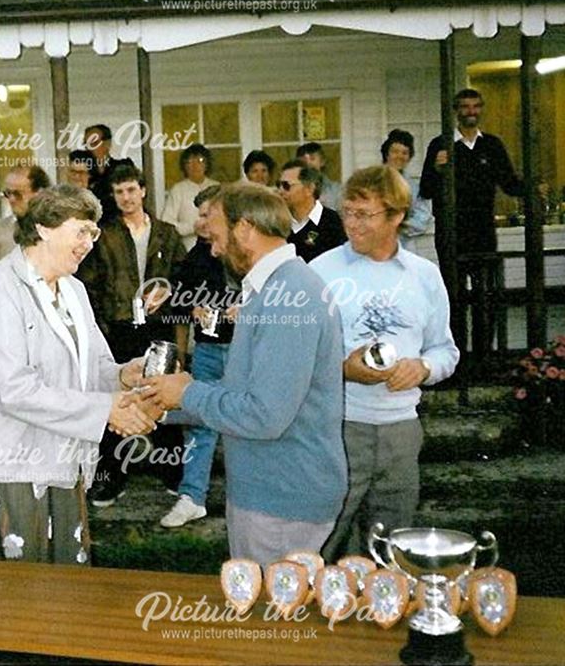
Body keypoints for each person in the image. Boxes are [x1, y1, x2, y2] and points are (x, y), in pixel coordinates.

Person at [0, 185, 155, 564]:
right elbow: (14, 391)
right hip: (5, 470)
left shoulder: (74, 290)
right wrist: (106, 410)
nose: (89, 242)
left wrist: (125, 376)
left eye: (94, 233)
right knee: (12, 605)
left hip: (60, 465)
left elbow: (94, 369)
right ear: (43, 228)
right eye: (81, 231)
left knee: (63, 601)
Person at [141, 184, 347, 567]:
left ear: (245, 228)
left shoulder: (289, 297)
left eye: (215, 230)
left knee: (273, 619)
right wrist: (164, 403)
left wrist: (186, 394)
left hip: (282, 500)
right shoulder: (272, 290)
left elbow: (263, 415)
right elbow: (239, 395)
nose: (212, 244)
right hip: (273, 493)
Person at [311, 165, 459, 560]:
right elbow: (298, 357)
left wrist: (423, 368)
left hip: (401, 432)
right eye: (347, 213)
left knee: (393, 546)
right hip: (338, 426)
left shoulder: (424, 276)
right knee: (324, 537)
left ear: (397, 216)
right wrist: (344, 368)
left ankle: (382, 615)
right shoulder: (319, 272)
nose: (351, 225)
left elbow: (446, 351)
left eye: (364, 215)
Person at [80, 164, 186, 507]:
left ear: (143, 191)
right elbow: (90, 284)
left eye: (130, 190)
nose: (125, 197)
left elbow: (183, 279)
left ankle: (173, 472)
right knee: (118, 398)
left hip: (159, 327)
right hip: (120, 328)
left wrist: (167, 292)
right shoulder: (105, 233)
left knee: (163, 396)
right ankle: (111, 477)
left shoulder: (167, 234)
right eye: (118, 192)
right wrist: (102, 326)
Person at [419, 89, 524, 362]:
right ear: (456, 110)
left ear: (481, 109)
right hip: (451, 235)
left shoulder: (491, 145)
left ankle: (482, 359)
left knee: (484, 298)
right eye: (465, 107)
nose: (471, 111)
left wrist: (535, 188)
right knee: (453, 299)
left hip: (483, 234)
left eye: (476, 106)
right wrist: (438, 169)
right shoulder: (440, 145)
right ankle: (455, 360)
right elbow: (426, 190)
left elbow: (509, 184)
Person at [161, 184, 238, 528]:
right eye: (200, 214)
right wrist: (181, 354)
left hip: (244, 352)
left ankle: (248, 501)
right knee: (198, 424)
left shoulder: (246, 252)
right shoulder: (194, 257)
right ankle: (192, 497)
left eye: (207, 214)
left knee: (245, 425)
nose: (201, 222)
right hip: (206, 350)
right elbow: (179, 310)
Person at [0, 164, 51, 277]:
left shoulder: (57, 228)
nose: (11, 199)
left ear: (39, 193)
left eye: (18, 194)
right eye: (8, 193)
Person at [278, 160, 346, 263]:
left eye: (286, 186)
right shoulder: (278, 224)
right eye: (278, 185)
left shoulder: (333, 223)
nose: (280, 191)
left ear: (309, 189)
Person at [161, 143, 220, 251]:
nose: (195, 165)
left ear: (207, 164)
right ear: (184, 166)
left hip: (216, 248)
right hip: (188, 249)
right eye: (190, 162)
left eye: (200, 161)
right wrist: (193, 227)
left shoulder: (216, 187)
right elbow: (166, 225)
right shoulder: (178, 190)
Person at [380, 129, 433, 243]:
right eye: (395, 151)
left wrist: (399, 226)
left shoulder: (413, 187)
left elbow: (423, 217)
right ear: (386, 154)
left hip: (403, 244)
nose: (400, 156)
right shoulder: (372, 180)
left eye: (405, 153)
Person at [84, 124, 133, 224]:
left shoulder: (122, 167)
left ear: (107, 144)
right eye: (86, 144)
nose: (89, 149)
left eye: (94, 143)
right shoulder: (84, 172)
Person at [296, 142, 341, 211]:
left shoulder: (336, 191)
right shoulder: (291, 190)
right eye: (303, 160)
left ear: (322, 161)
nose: (308, 163)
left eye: (312, 158)